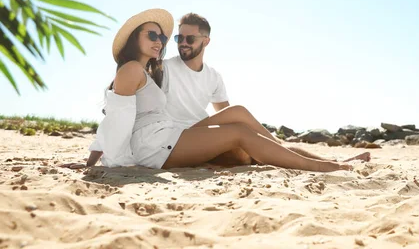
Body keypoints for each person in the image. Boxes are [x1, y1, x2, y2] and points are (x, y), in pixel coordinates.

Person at [84, 12, 369, 168]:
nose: (169, 41)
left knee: (240, 116)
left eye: (163, 37)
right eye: (154, 35)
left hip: (177, 134)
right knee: (242, 140)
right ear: (135, 38)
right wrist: (96, 161)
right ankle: (321, 166)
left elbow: (119, 113)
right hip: (161, 141)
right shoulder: (150, 69)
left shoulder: (166, 72)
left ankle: (322, 159)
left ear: (205, 41)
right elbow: (116, 118)